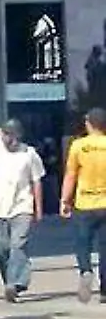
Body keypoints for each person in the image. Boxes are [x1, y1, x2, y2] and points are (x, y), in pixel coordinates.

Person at [0, 121, 45, 303]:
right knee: (1, 247)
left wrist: (38, 208)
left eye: (12, 136)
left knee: (18, 245)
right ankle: (9, 281)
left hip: (22, 207)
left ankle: (15, 283)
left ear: (18, 136)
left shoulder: (29, 154)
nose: (8, 140)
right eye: (5, 135)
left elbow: (36, 182)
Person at [61, 107, 106, 303]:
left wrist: (65, 200)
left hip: (84, 203)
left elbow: (71, 175)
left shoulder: (79, 146)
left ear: (89, 124)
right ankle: (105, 290)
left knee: (82, 243)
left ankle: (86, 270)